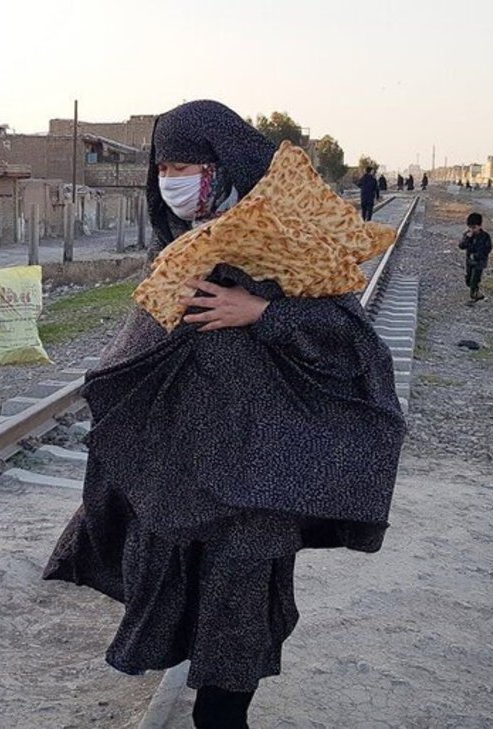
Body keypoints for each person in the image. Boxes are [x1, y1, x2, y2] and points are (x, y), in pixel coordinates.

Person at [44, 100, 405, 729]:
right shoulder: (181, 241)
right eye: (163, 166)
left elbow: (354, 342)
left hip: (260, 470)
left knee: (238, 613)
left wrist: (263, 314)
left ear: (224, 163)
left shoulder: (290, 236)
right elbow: (146, 333)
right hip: (184, 464)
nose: (171, 179)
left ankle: (222, 715)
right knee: (171, 584)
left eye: (185, 165)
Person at [459, 212, 492, 302]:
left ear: (480, 226)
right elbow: (461, 246)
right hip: (469, 261)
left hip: (479, 262)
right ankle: (477, 293)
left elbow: (487, 249)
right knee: (469, 280)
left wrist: (477, 255)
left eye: (474, 228)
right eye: (470, 227)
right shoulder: (468, 235)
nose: (472, 230)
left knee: (474, 279)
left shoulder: (485, 236)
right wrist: (467, 238)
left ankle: (473, 295)